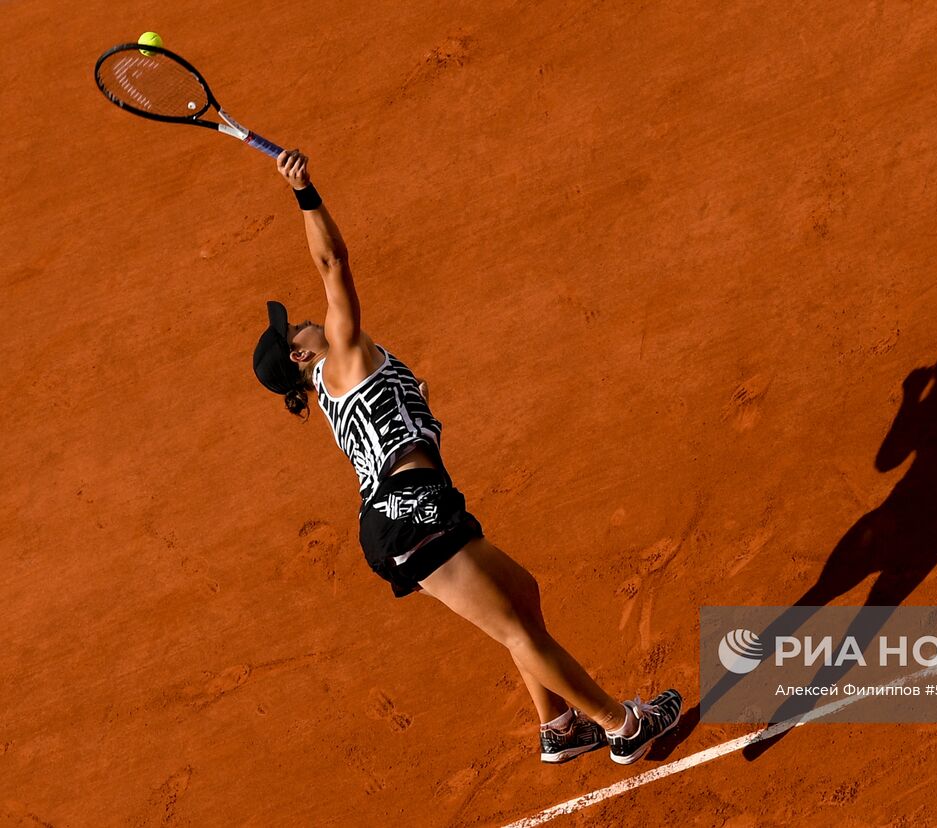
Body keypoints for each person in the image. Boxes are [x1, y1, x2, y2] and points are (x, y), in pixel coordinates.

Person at [250, 149, 680, 765]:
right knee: (514, 628)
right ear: (299, 357)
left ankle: (558, 728)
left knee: (523, 596)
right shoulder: (337, 356)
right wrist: (304, 191)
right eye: (294, 331)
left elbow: (389, 418)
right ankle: (622, 726)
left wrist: (415, 407)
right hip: (407, 514)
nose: (304, 325)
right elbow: (333, 263)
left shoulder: (334, 381)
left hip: (418, 506)